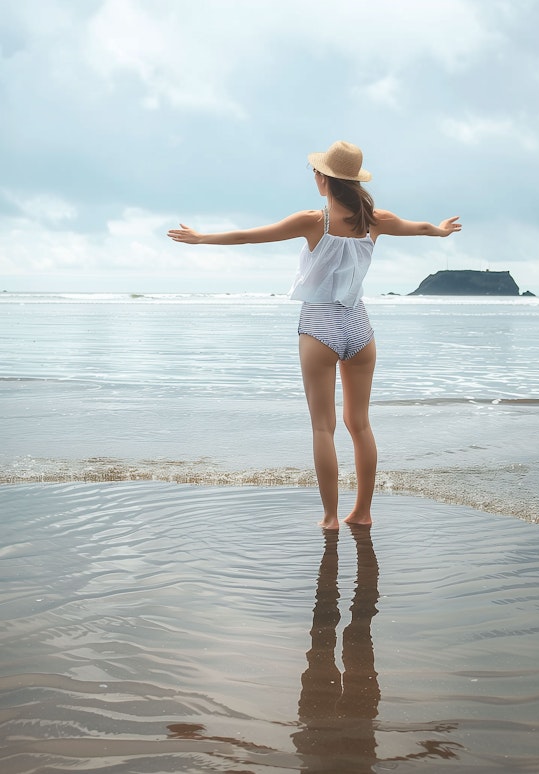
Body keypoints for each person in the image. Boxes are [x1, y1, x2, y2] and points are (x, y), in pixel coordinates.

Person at [167, 140, 461, 530]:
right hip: (359, 326)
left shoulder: (314, 220)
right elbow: (421, 228)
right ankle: (364, 512)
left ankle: (330, 518)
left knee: (323, 427)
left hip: (320, 325)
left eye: (316, 173)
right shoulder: (375, 220)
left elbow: (249, 237)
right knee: (360, 424)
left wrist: (202, 238)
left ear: (325, 178)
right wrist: (440, 232)